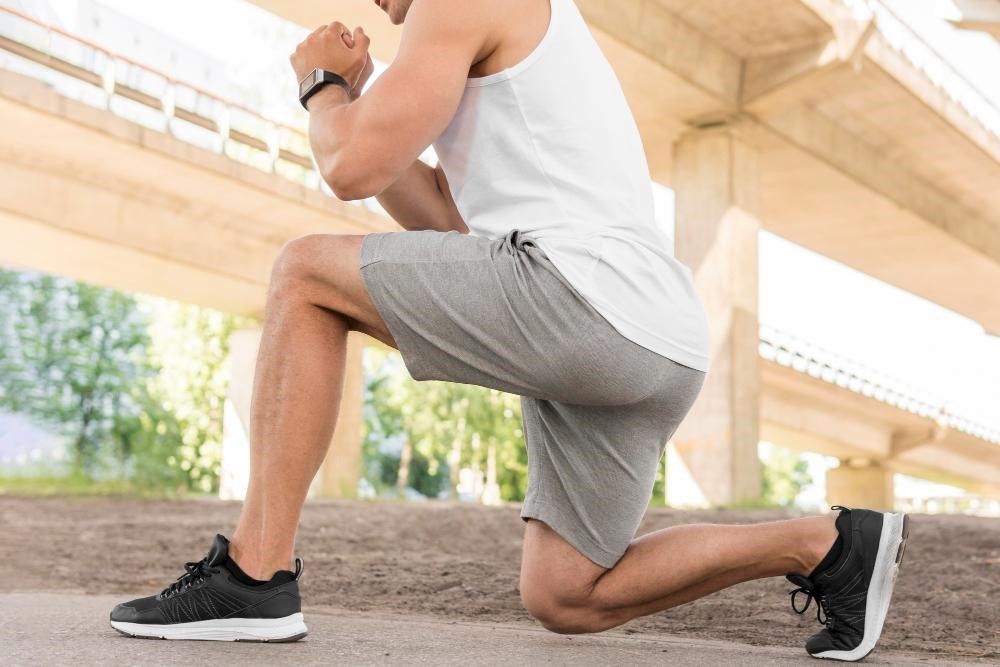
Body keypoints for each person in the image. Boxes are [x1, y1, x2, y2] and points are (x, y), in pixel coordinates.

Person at [109, 0, 909, 660]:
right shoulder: (513, 31)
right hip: (654, 337)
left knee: (304, 273)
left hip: (585, 300)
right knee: (566, 590)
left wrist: (323, 86)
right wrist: (370, 107)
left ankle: (254, 576)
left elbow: (348, 167)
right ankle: (826, 544)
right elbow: (459, 233)